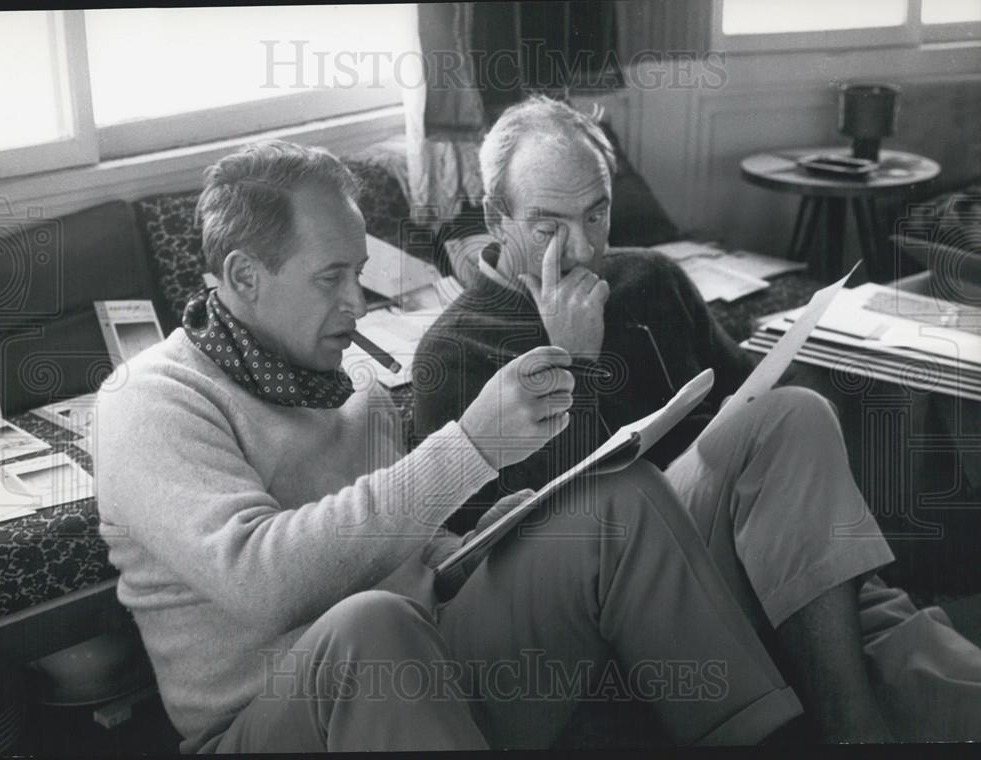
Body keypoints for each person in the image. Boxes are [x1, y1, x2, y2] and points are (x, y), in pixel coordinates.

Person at [94, 140, 808, 753]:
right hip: (268, 721)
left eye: (359, 271)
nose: (358, 302)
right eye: (330, 278)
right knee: (370, 625)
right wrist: (470, 448)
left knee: (614, 501)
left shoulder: (350, 382)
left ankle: (772, 739)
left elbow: (395, 553)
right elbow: (263, 582)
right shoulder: (151, 401)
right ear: (246, 277)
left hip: (420, 660)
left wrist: (480, 537)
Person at [412, 94, 981, 743]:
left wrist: (804, 366)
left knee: (799, 415)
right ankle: (852, 711)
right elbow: (516, 558)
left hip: (732, 540)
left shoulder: (649, 277)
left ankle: (862, 706)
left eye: (597, 213)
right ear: (496, 217)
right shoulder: (455, 353)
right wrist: (575, 364)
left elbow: (747, 406)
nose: (581, 247)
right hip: (627, 583)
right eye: (548, 226)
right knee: (856, 613)